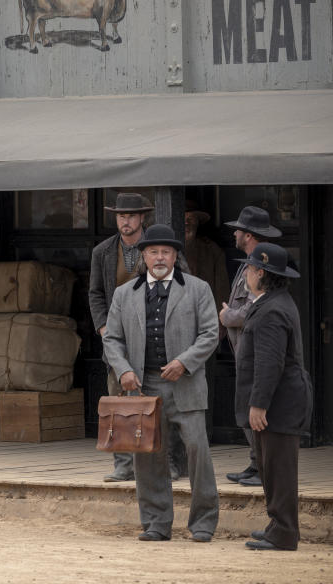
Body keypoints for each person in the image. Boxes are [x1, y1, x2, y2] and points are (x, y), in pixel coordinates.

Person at [103, 224, 220, 543]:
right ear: (143, 256)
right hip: (143, 385)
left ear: (175, 256)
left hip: (186, 383)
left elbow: (211, 334)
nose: (159, 257)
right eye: (153, 251)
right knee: (148, 454)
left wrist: (184, 362)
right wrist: (124, 369)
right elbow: (111, 337)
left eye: (166, 252)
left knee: (198, 449)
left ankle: (203, 522)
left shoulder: (198, 289)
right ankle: (156, 522)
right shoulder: (124, 294)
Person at [89, 193, 190, 482]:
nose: (126, 221)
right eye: (121, 216)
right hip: (119, 337)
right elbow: (95, 293)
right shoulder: (103, 252)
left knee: (163, 402)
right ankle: (124, 464)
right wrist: (103, 327)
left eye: (131, 216)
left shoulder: (163, 248)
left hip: (159, 334)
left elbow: (185, 285)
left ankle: (169, 462)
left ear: (142, 218)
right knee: (118, 400)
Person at [233, 243, 312, 551]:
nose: (247, 274)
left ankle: (284, 532)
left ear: (262, 273)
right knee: (270, 468)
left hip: (279, 404)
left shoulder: (273, 309)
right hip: (279, 402)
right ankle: (276, 525)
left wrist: (258, 404)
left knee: (279, 470)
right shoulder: (272, 301)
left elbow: (270, 362)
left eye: (251, 269)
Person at [220, 206, 282, 488]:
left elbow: (255, 310)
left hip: (256, 352)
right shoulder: (248, 263)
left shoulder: (264, 267)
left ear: (248, 235)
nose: (234, 233)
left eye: (238, 230)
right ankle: (255, 463)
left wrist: (226, 316)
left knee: (256, 412)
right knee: (246, 411)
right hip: (243, 352)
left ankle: (264, 468)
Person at [184, 200, 229, 311]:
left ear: (198, 222)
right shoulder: (163, 250)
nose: (186, 223)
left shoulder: (212, 251)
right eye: (182, 218)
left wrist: (220, 324)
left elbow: (222, 294)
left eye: (191, 219)